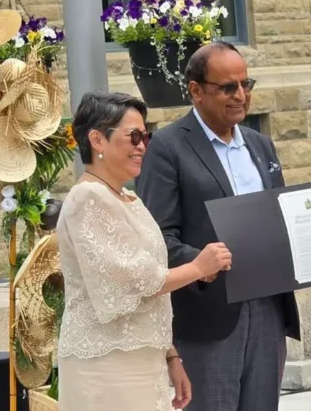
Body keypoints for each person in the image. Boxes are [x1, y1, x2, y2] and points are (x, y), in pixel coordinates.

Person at [137, 41, 311, 411]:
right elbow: (157, 239)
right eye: (228, 87)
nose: (241, 95)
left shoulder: (261, 145)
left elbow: (285, 221)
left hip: (269, 311)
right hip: (209, 320)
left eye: (246, 84)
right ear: (195, 90)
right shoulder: (167, 147)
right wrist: (203, 263)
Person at [57, 91, 235, 411]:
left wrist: (171, 356)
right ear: (98, 140)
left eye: (146, 136)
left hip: (143, 360)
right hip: (107, 363)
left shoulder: (130, 200)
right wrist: (198, 266)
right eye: (134, 136)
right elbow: (133, 280)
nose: (142, 146)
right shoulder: (87, 199)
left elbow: (152, 292)